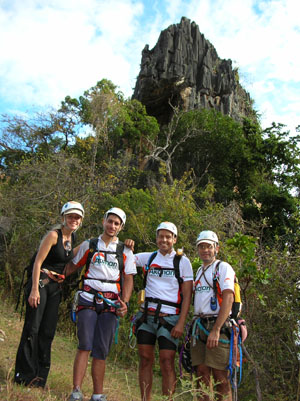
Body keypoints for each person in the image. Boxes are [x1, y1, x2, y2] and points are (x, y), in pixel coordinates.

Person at [66, 207, 136, 401]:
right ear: (104, 221)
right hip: (88, 297)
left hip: (111, 302)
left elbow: (128, 278)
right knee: (85, 344)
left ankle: (98, 393)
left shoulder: (124, 251)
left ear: (121, 227)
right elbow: (72, 265)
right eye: (110, 221)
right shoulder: (89, 244)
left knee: (101, 348)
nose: (112, 226)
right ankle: (77, 390)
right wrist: (55, 275)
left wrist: (126, 302)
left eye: (116, 223)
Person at [14, 201, 84, 388]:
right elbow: (38, 262)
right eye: (70, 216)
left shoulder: (73, 239)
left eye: (77, 217)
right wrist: (34, 290)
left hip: (55, 288)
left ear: (81, 220)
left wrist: (89, 245)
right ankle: (23, 375)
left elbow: (72, 260)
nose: (73, 220)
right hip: (41, 284)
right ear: (63, 217)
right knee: (33, 329)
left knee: (47, 332)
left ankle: (39, 378)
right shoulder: (54, 235)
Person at [133, 222, 193, 401]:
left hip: (170, 319)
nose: (164, 240)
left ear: (174, 239)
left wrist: (181, 322)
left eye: (168, 237)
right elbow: (123, 257)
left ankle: (168, 399)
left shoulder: (182, 262)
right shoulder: (149, 258)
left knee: (167, 361)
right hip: (147, 317)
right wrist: (128, 245)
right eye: (161, 236)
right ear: (156, 238)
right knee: (145, 359)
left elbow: (188, 295)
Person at [191, 230, 235, 401]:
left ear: (216, 248)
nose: (205, 250)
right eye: (201, 247)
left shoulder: (223, 268)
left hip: (218, 326)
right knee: (201, 375)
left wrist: (216, 329)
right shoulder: (199, 271)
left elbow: (228, 298)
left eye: (208, 246)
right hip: (199, 326)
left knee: (220, 378)